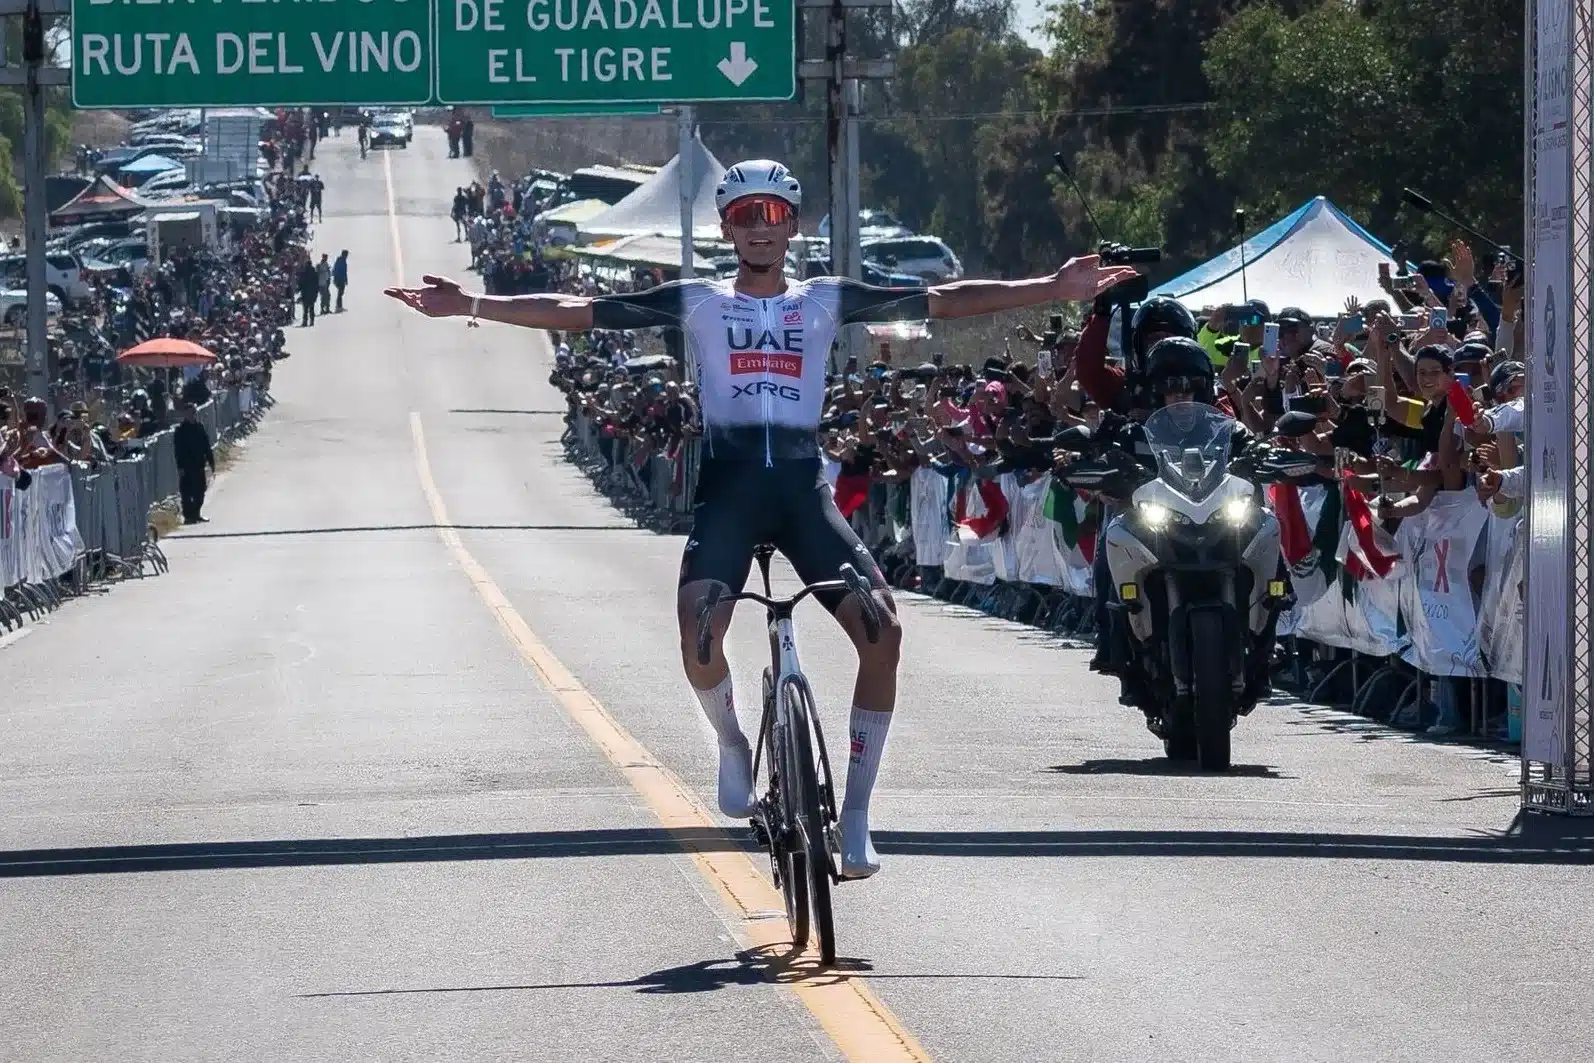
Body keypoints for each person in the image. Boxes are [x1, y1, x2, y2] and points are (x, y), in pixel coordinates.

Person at [384, 158, 1138, 879]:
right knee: (698, 626)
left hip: (803, 492)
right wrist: (471, 305)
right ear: (726, 226)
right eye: (746, 215)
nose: (761, 228)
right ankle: (733, 741)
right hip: (730, 491)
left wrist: (1050, 285)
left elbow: (945, 301)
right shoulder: (698, 299)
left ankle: (856, 817)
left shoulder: (826, 297)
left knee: (885, 631)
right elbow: (579, 313)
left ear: (794, 223)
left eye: (774, 214)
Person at [173, 402, 215, 524]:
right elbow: (178, 451)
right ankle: (188, 516)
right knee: (187, 492)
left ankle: (196, 514)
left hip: (199, 464)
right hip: (186, 466)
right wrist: (180, 467)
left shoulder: (199, 427)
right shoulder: (180, 430)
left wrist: (211, 462)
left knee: (200, 491)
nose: (192, 415)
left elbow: (206, 445)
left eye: (193, 412)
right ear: (185, 414)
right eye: (189, 413)